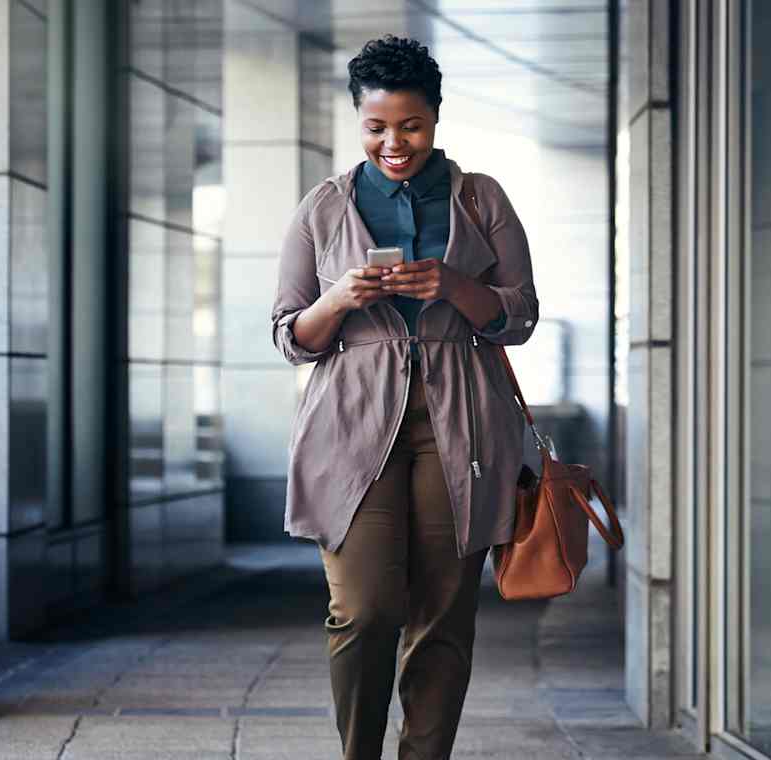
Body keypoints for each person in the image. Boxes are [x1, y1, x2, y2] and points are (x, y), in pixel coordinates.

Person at [268, 35, 539, 760]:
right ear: (359, 119)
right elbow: (291, 334)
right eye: (377, 126)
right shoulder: (325, 206)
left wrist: (451, 285)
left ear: (436, 117)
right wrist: (338, 299)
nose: (395, 142)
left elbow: (520, 315)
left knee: (444, 615)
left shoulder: (481, 198)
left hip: (464, 429)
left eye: (411, 125)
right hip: (352, 426)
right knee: (364, 609)